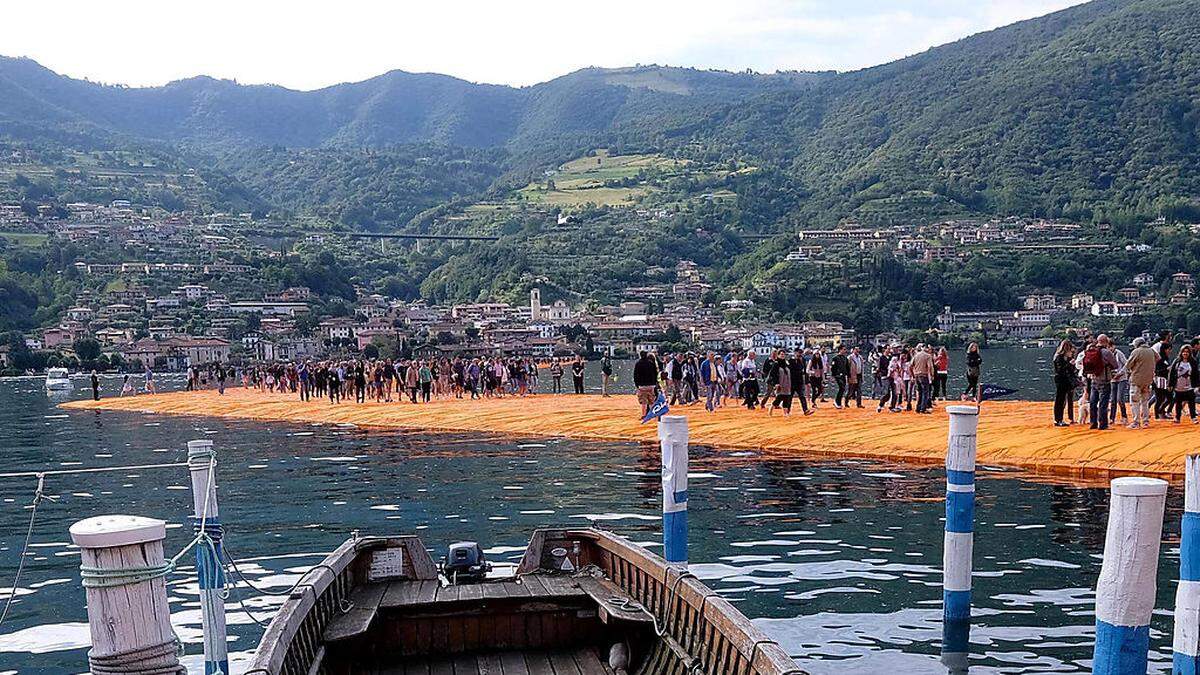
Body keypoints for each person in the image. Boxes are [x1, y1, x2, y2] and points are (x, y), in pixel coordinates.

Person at [1083, 334, 1118, 430]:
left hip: (1093, 379)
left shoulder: (1091, 350)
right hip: (1104, 379)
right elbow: (1115, 365)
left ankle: (1093, 423)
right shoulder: (1106, 352)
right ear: (1106, 342)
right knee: (1103, 403)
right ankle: (1103, 424)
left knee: (1093, 402)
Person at [1126, 337, 1156, 429]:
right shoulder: (1151, 351)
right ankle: (1146, 421)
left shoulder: (1136, 351)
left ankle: (1136, 422)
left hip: (1136, 379)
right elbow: (1158, 357)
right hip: (1148, 379)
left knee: (1135, 401)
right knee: (1145, 401)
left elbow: (1128, 365)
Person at [1171, 344, 1200, 424]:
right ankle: (1177, 418)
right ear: (1181, 352)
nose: (1185, 353)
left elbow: (1196, 373)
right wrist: (1170, 384)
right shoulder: (1177, 361)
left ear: (1190, 353)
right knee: (1178, 404)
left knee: (1191, 403)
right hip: (1178, 386)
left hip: (1190, 386)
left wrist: (1197, 385)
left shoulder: (1193, 362)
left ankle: (1193, 417)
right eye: (1184, 352)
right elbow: (1172, 372)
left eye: (1187, 352)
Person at [1052, 339, 1077, 427]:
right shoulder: (1059, 357)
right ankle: (1058, 419)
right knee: (1060, 400)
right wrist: (1069, 364)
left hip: (1064, 380)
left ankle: (1058, 419)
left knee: (1061, 400)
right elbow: (1060, 370)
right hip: (1061, 380)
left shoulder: (1062, 357)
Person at [1108, 341, 1129, 426]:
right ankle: (1112, 418)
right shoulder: (1108, 355)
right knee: (1113, 400)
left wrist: (1120, 373)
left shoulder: (1119, 353)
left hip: (1122, 379)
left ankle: (1124, 417)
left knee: (1120, 399)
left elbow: (1126, 364)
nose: (1109, 349)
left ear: (1113, 346)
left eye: (1110, 347)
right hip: (1113, 379)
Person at [633, 351, 660, 416]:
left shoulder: (638, 363)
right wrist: (654, 383)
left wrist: (637, 385)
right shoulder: (651, 363)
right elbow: (655, 373)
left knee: (644, 402)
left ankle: (644, 415)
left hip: (642, 385)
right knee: (651, 401)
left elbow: (635, 375)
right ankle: (652, 414)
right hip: (651, 385)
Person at [911, 344, 934, 414]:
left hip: (917, 375)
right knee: (925, 393)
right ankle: (923, 409)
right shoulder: (928, 356)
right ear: (926, 348)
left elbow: (910, 365)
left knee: (920, 392)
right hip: (924, 375)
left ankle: (918, 408)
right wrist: (932, 375)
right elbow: (930, 366)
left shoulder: (916, 355)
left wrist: (913, 374)